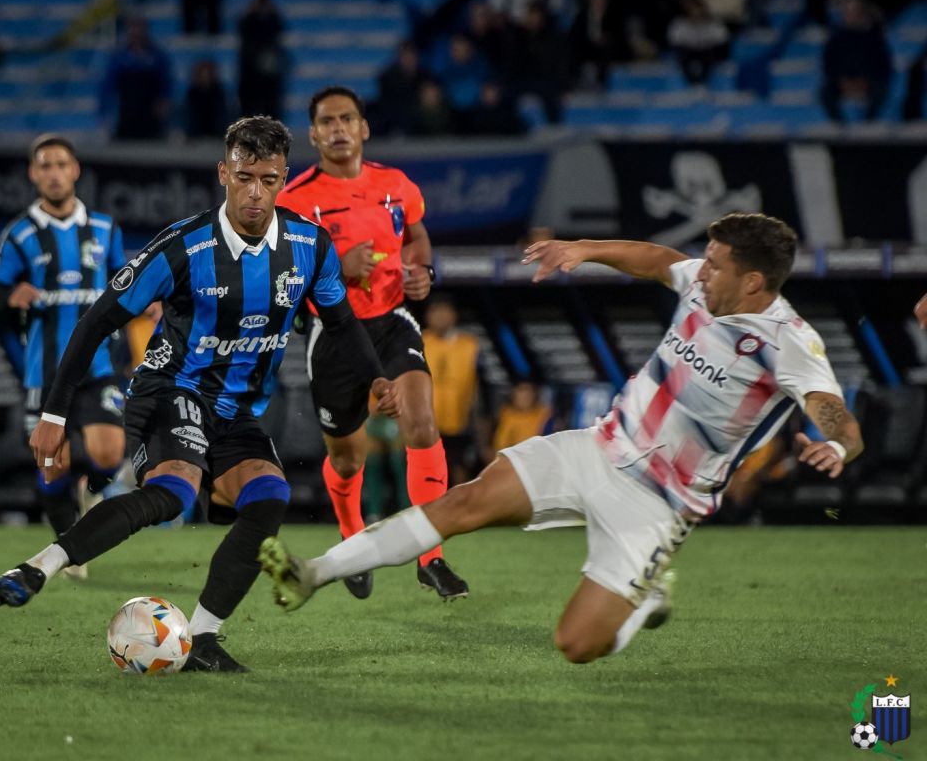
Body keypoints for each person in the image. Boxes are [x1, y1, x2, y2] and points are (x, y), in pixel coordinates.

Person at [260, 212, 865, 665]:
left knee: (576, 645)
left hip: (657, 503)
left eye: (715, 264)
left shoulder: (789, 341)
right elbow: (655, 258)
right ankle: (314, 572)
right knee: (462, 503)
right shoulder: (701, 287)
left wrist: (834, 444)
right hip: (596, 448)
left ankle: (645, 596)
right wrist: (584, 249)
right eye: (705, 258)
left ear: (754, 281)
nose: (700, 270)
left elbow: (834, 411)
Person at [0, 116, 400, 674]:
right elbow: (95, 323)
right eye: (244, 176)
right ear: (223, 173)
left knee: (270, 498)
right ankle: (42, 564)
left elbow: (342, 321)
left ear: (283, 179)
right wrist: (54, 415)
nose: (255, 192)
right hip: (169, 388)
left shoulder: (309, 244)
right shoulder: (182, 247)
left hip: (236, 408)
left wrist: (376, 376)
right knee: (176, 492)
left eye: (269, 179)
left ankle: (202, 637)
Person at [276, 86, 469, 601]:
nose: (338, 128)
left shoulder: (396, 185)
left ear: (364, 128)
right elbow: (282, 276)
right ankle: (352, 537)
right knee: (347, 459)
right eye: (326, 121)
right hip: (334, 333)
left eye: (347, 118)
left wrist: (423, 271)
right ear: (313, 134)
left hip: (391, 321)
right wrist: (335, 269)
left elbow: (417, 237)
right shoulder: (294, 201)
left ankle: (432, 558)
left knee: (422, 424)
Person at [0, 134, 127, 576]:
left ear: (75, 170)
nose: (53, 172)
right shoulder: (21, 234)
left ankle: (94, 490)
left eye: (61, 164)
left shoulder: (104, 229)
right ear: (33, 174)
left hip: (98, 365)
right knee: (51, 468)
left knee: (109, 453)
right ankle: (69, 551)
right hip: (44, 371)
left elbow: (125, 280)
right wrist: (12, 293)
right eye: (44, 165)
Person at [422, 296, 483, 486]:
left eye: (444, 311)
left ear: (454, 315)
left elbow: (483, 383)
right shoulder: (418, 342)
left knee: (459, 465)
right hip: (425, 419)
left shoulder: (470, 345)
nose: (440, 317)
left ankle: (460, 509)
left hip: (460, 419)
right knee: (426, 467)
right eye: (435, 312)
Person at [99, 17, 172, 140]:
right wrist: (105, 113)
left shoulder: (157, 57)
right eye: (133, 31)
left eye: (140, 31)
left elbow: (166, 84)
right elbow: (108, 86)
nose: (137, 35)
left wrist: (164, 102)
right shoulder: (119, 57)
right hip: (126, 112)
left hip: (151, 114)